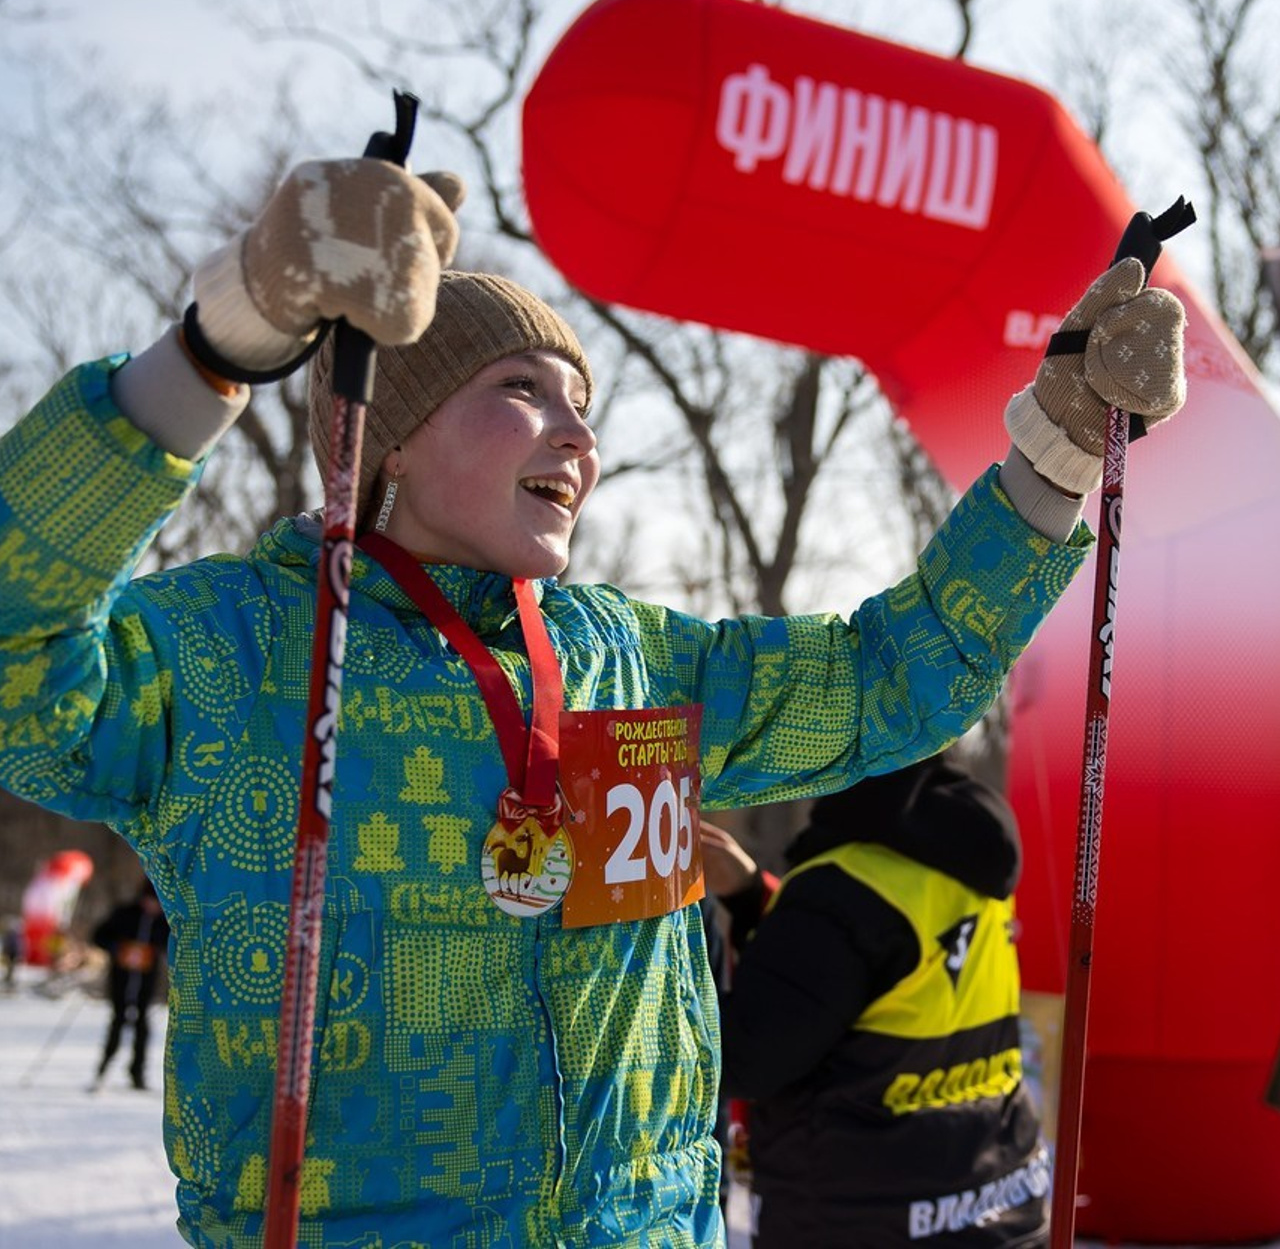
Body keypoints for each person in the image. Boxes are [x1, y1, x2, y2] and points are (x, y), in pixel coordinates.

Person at [0, 146, 1184, 1247]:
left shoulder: (628, 657)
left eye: (585, 406)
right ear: (391, 441)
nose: (579, 436)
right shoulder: (235, 651)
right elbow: (16, 669)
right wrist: (227, 336)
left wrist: (1057, 455)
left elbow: (891, 675)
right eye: (524, 389)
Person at [702, 754, 1048, 1247]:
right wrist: (753, 895)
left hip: (860, 1215)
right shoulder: (968, 857)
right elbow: (867, 982)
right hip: (997, 1201)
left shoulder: (839, 890)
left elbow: (744, 1059)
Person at [90, 877, 170, 1091]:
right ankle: (103, 1068)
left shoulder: (163, 921)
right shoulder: (125, 914)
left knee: (142, 1026)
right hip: (121, 979)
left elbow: (169, 944)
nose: (153, 907)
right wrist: (117, 948)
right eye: (150, 901)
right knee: (118, 1021)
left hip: (146, 982)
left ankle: (137, 1073)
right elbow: (99, 936)